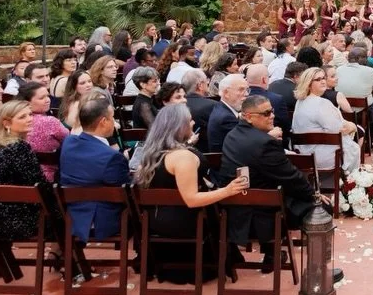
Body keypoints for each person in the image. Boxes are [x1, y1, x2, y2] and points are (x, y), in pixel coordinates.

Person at [217, 94, 339, 278]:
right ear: (249, 116)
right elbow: (291, 177)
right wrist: (314, 195)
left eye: (272, 111)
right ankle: (319, 271)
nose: (272, 116)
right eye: (266, 113)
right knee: (322, 209)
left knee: (274, 192)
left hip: (235, 212)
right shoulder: (265, 143)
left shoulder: (232, 136)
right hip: (262, 218)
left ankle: (272, 255)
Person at [132, 103, 248, 282]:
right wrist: (228, 190)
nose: (193, 122)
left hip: (154, 222)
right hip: (186, 223)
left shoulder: (150, 153)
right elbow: (192, 199)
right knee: (228, 211)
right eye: (189, 120)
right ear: (180, 126)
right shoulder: (182, 157)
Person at [59, 93, 132, 243]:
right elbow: (128, 192)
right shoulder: (112, 157)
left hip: (73, 217)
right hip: (101, 221)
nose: (115, 123)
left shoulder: (68, 142)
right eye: (113, 118)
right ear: (103, 122)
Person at [0, 101, 44, 242]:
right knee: (70, 217)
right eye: (22, 117)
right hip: (19, 223)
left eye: (30, 114)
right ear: (7, 123)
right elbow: (40, 185)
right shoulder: (19, 148)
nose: (29, 119)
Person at [291, 67, 361, 173]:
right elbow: (339, 130)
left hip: (304, 154)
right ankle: (350, 182)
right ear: (308, 84)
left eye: (323, 78)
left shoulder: (300, 102)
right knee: (354, 147)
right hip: (323, 157)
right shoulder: (322, 103)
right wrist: (352, 126)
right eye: (318, 79)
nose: (323, 81)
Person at [17, 81, 69, 180]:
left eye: (47, 96)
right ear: (27, 103)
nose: (48, 100)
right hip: (51, 176)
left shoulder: (15, 120)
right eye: (42, 98)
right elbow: (69, 140)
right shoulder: (49, 122)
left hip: (23, 175)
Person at [245, 62, 290, 144]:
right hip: (273, 145)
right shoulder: (277, 99)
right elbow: (285, 128)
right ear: (264, 80)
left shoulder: (240, 99)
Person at [208, 73, 250, 152]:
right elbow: (246, 143)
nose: (247, 94)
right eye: (241, 89)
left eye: (247, 89)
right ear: (226, 93)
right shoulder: (226, 118)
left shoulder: (221, 108)